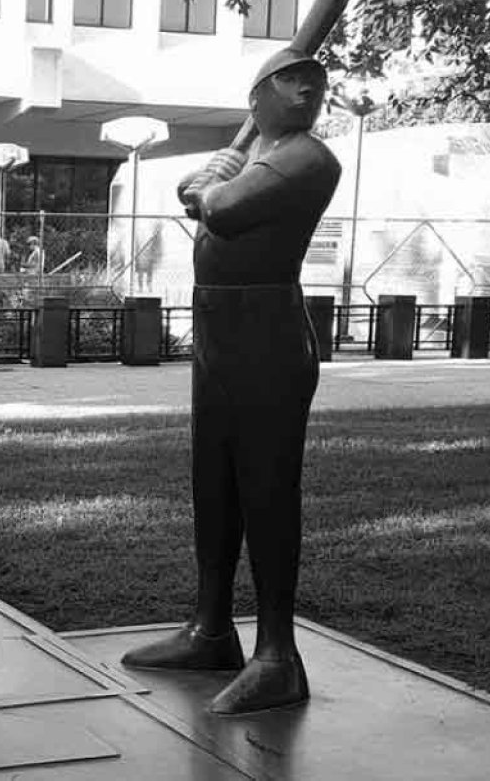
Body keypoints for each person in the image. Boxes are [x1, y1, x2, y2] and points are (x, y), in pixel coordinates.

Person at [120, 48, 342, 715]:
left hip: (268, 335)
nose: (308, 87)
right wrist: (208, 184)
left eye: (316, 81)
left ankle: (279, 655)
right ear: (257, 98)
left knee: (267, 489)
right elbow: (216, 206)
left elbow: (227, 210)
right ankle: (211, 629)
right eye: (291, 79)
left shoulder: (307, 157)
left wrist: (201, 187)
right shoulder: (259, 153)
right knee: (213, 485)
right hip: (220, 333)